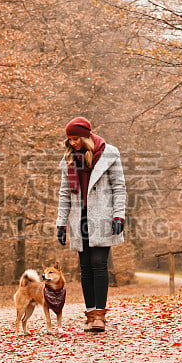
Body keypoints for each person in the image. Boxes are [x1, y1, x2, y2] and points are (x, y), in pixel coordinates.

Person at [56, 116, 126, 333]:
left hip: (102, 217)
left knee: (98, 264)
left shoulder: (109, 154)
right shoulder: (69, 159)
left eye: (75, 138)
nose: (72, 143)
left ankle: (100, 317)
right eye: (69, 139)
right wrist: (61, 223)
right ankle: (89, 314)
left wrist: (119, 216)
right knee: (85, 268)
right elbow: (65, 192)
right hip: (80, 219)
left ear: (86, 136)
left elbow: (119, 187)